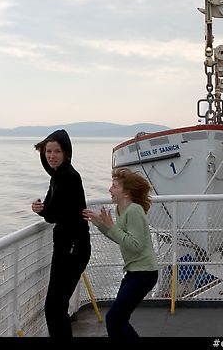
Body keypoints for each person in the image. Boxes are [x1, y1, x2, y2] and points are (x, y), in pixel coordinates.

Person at [82, 167, 158, 338]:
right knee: (119, 318)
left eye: (115, 186)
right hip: (134, 273)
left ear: (126, 193)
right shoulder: (120, 210)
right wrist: (100, 223)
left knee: (114, 318)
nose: (110, 189)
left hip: (144, 273)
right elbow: (120, 238)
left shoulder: (134, 210)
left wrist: (111, 226)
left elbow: (135, 245)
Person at [31, 129, 91, 337]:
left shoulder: (68, 177)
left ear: (66, 153)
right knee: (57, 307)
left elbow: (52, 213)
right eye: (48, 151)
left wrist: (43, 210)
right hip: (69, 247)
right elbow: (50, 208)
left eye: (57, 151)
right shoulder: (58, 176)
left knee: (54, 308)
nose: (51, 156)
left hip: (72, 249)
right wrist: (42, 209)